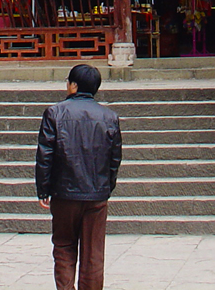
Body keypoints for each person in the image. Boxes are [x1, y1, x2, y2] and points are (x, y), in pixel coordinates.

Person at [35, 64, 122, 290]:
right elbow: (115, 159)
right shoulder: (109, 117)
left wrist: (43, 189)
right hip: (96, 194)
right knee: (93, 252)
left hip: (64, 193)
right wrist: (106, 187)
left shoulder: (54, 113)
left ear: (73, 85)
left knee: (64, 246)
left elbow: (46, 155)